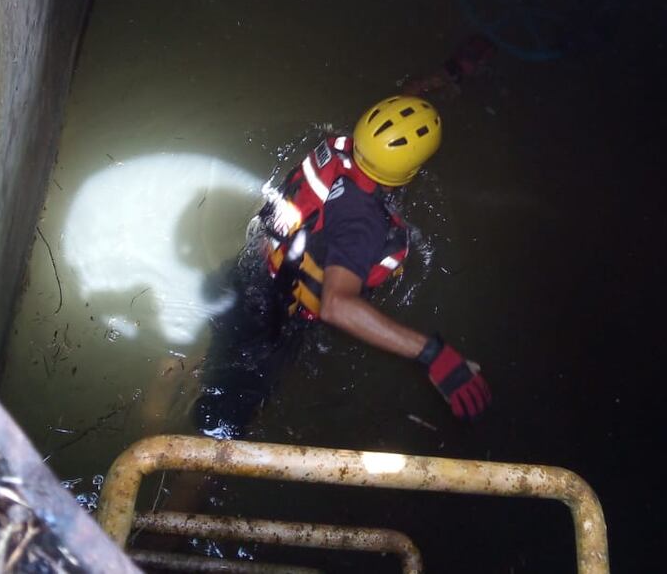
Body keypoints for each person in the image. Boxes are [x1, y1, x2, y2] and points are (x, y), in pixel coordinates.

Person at [191, 95, 491, 439]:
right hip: (275, 319)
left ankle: (163, 391)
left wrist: (452, 76)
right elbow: (336, 305)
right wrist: (433, 355)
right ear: (411, 170)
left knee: (208, 352)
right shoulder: (362, 225)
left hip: (251, 271)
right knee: (223, 437)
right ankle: (184, 479)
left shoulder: (341, 149)